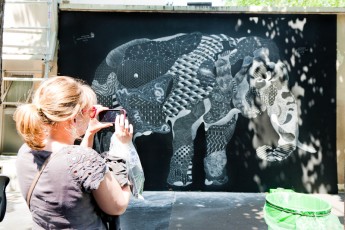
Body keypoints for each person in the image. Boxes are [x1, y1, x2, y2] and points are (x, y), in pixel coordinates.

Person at [14, 76, 133, 229]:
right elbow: (118, 205)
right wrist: (122, 148)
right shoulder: (85, 159)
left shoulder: (26, 151)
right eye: (88, 111)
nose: (91, 115)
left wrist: (89, 133)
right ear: (74, 117)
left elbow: (72, 168)